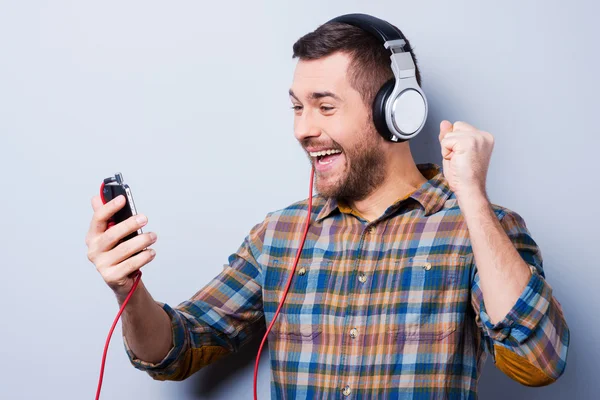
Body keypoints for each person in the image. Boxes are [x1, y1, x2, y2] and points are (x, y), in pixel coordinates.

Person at [85, 13, 569, 399]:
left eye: (325, 106)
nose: (302, 129)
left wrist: (473, 200)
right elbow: (174, 351)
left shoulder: (481, 228)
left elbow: (538, 362)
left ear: (396, 111)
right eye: (297, 106)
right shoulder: (279, 236)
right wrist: (128, 288)